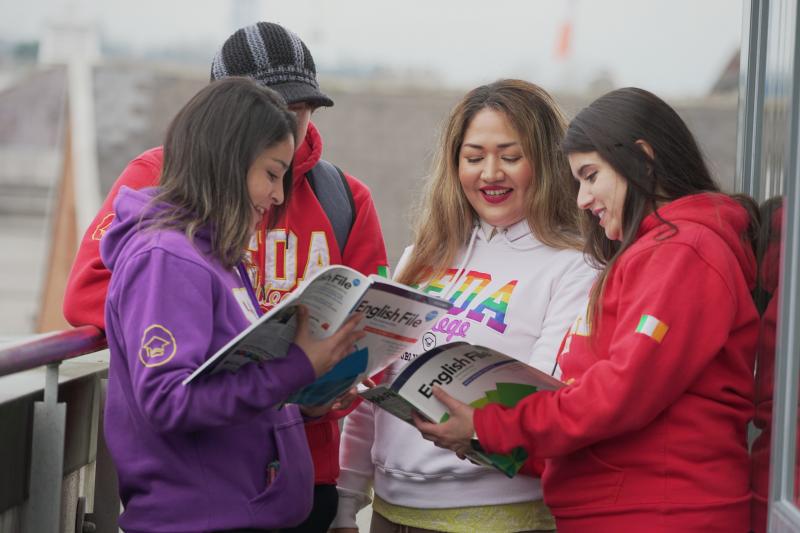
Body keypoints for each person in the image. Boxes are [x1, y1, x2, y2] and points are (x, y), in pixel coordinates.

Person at [63, 22, 388, 531]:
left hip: (298, 466)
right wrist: (255, 351)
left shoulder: (344, 197)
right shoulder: (161, 197)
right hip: (215, 483)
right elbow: (95, 298)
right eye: (265, 105)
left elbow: (373, 322)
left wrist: (321, 377)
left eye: (297, 109)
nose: (281, 118)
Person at [415, 87, 760, 533]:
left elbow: (621, 392)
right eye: (578, 181)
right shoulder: (655, 251)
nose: (582, 198)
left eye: (591, 176)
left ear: (643, 159)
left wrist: (491, 426)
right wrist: (493, 441)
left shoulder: (686, 252)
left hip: (659, 514)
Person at [331, 79, 597, 533]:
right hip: (390, 512)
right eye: (474, 158)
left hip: (501, 515)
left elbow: (545, 407)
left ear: (547, 162)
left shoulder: (575, 266)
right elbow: (373, 389)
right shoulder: (422, 255)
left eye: (510, 157)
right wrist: (346, 503)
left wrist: (474, 429)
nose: (490, 173)